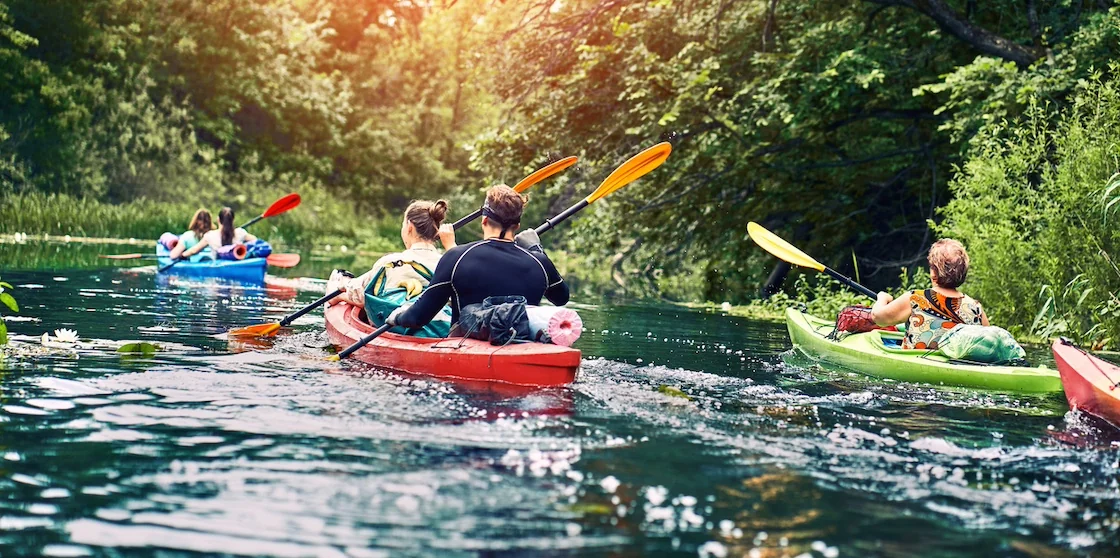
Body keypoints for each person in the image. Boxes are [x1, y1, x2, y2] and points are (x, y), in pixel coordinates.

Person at [386, 185, 569, 331]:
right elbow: (561, 298)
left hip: (465, 349)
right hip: (521, 343)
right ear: (517, 225)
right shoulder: (539, 262)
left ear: (484, 220)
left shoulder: (457, 257)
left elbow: (417, 318)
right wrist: (536, 249)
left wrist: (397, 316)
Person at [325, 199, 455, 309]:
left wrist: (341, 291)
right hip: (439, 329)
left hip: (396, 326)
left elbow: (360, 293)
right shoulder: (450, 264)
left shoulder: (391, 262)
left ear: (409, 226)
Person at [871, 239, 990, 350]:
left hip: (914, 366)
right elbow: (989, 344)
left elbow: (878, 317)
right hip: (958, 367)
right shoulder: (976, 308)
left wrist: (882, 297)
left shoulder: (916, 299)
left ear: (934, 272)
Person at [177, 207, 257, 259]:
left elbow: (194, 250)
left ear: (218, 220)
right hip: (238, 263)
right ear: (233, 220)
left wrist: (182, 255)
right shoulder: (241, 232)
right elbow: (255, 241)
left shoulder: (210, 236)